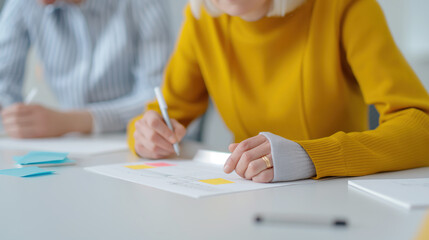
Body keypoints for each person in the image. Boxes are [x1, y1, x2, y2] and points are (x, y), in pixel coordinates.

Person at [128, 0, 429, 183]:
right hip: (245, 196)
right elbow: (164, 113)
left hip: (339, 197)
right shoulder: (202, 21)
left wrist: (310, 156)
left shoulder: (346, 8)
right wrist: (145, 135)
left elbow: (421, 126)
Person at [0, 0, 170, 138]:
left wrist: (69, 121)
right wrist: (16, 119)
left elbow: (157, 97)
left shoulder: (141, 4)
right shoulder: (22, 5)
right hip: (66, 145)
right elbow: (3, 86)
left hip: (132, 140)